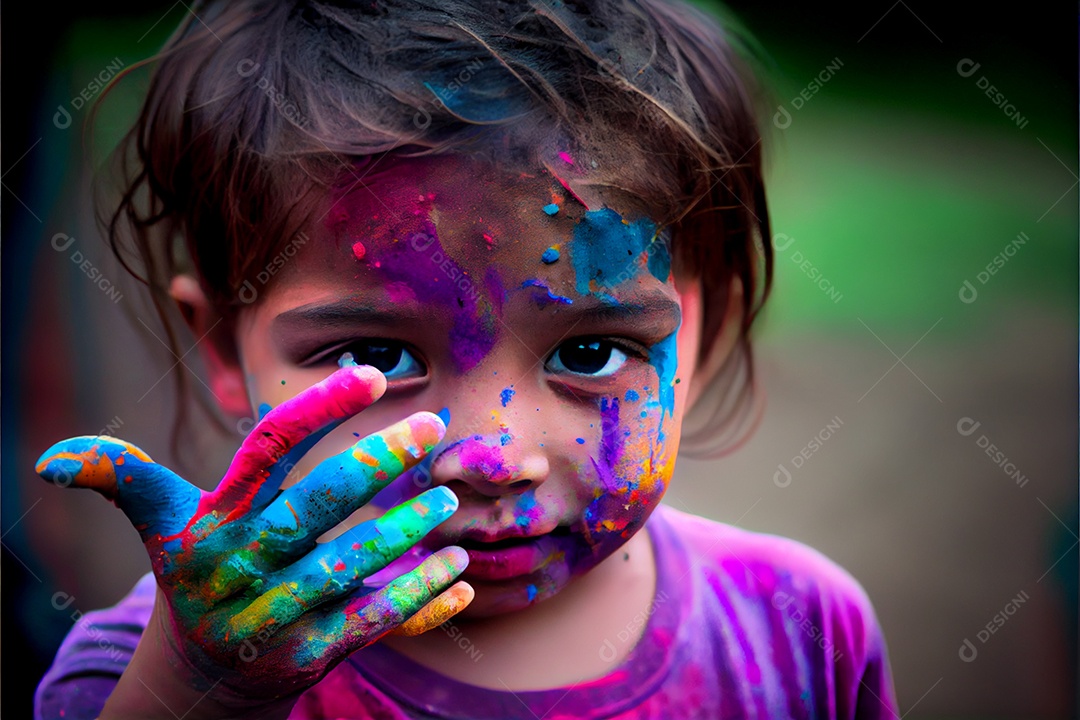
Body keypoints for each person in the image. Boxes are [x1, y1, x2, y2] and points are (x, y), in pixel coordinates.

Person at [33, 0, 900, 717]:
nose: (493, 457)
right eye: (376, 354)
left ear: (700, 341)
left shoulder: (802, 634)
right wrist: (206, 694)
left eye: (593, 352)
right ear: (224, 347)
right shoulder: (152, 675)